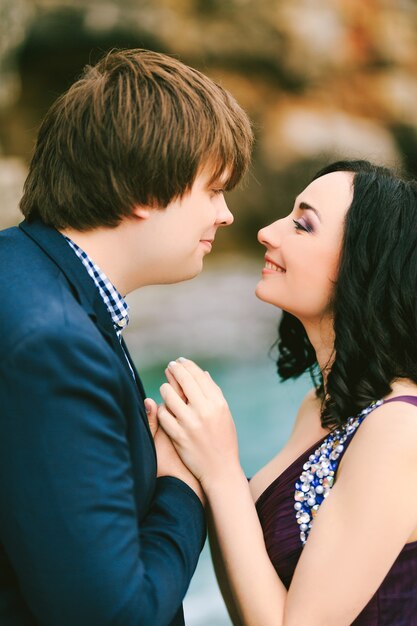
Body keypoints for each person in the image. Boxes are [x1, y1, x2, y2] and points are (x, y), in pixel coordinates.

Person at [0, 48, 252, 626]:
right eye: (213, 189)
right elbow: (115, 616)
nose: (227, 215)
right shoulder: (53, 345)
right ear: (144, 191)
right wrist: (182, 483)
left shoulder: (22, 269)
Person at [153, 160, 417, 625]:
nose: (267, 232)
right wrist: (195, 470)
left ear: (364, 262)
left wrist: (220, 468)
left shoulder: (399, 428)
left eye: (302, 224)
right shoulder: (317, 407)